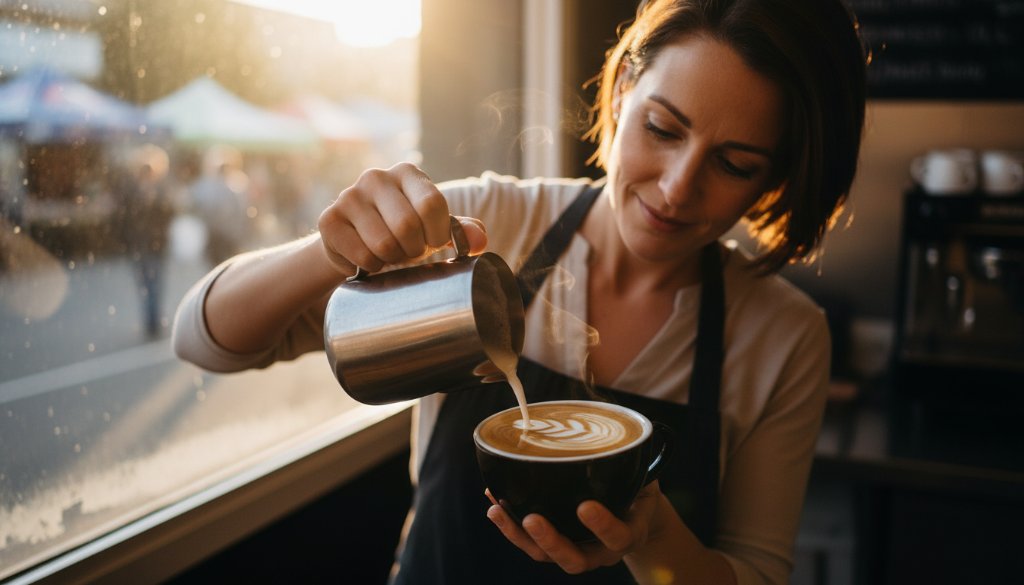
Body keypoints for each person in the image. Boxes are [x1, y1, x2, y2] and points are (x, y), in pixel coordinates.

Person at [172, 0, 866, 583]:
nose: (678, 186)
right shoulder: (481, 226)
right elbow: (207, 341)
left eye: (734, 163)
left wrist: (651, 536)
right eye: (662, 128)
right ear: (623, 91)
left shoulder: (782, 335)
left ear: (774, 180)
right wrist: (328, 251)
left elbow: (757, 571)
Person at [120, 143, 175, 338]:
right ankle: (153, 321)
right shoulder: (156, 192)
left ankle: (151, 321)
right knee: (152, 284)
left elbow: (123, 218)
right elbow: (168, 215)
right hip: (151, 245)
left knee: (147, 285)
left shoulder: (135, 192)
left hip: (144, 245)